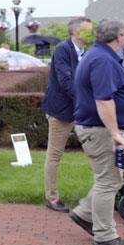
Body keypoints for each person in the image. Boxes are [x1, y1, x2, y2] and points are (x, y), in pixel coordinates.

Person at [69, 19, 124, 245]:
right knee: (108, 181)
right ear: (119, 37)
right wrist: (115, 134)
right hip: (101, 131)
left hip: (103, 129)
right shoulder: (102, 60)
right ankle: (105, 234)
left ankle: (85, 213)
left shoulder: (98, 55)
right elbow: (103, 99)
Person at [39, 17, 92, 212]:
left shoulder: (87, 52)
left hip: (81, 110)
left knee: (96, 152)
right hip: (61, 110)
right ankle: (52, 198)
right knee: (55, 154)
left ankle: (101, 196)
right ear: (75, 32)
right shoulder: (63, 49)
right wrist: (88, 102)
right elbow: (66, 81)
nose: (91, 34)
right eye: (88, 30)